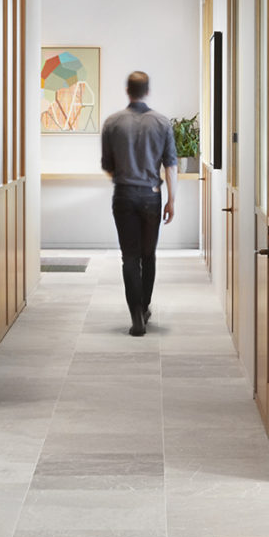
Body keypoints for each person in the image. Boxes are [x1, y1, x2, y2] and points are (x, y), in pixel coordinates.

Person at [100, 70, 176, 337]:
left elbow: (107, 165)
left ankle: (136, 315)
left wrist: (125, 178)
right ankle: (144, 307)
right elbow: (170, 166)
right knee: (148, 255)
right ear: (147, 91)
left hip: (123, 195)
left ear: (127, 91)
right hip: (151, 196)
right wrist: (171, 201)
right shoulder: (162, 123)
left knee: (129, 257)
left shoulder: (112, 123)